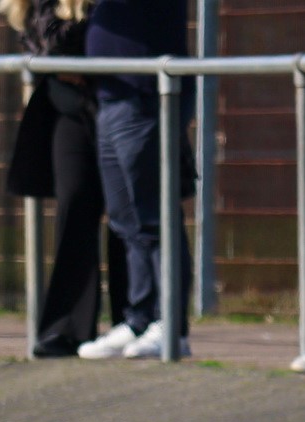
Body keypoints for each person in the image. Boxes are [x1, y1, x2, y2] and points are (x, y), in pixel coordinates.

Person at [0, 0, 127, 358]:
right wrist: (72, 57)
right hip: (69, 110)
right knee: (75, 206)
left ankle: (132, 320)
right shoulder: (41, 7)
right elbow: (50, 42)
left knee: (125, 212)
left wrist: (79, 58)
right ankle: (68, 329)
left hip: (118, 103)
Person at [79, 0, 196, 359]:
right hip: (111, 96)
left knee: (154, 216)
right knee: (124, 218)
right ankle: (139, 318)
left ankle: (171, 325)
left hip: (144, 94)